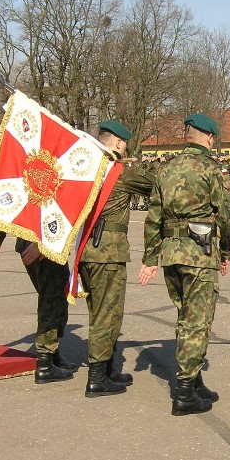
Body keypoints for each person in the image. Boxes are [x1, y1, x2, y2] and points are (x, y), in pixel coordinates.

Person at [139, 113, 230, 416]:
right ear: (209, 137)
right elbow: (228, 213)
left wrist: (149, 258)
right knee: (198, 322)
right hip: (198, 254)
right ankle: (184, 394)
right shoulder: (212, 169)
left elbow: (153, 217)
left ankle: (194, 381)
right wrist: (226, 250)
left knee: (185, 316)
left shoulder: (165, 169)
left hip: (171, 254)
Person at [80, 120, 154, 396]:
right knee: (106, 314)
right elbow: (156, 186)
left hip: (86, 250)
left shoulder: (83, 166)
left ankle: (108, 368)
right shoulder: (119, 172)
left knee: (101, 311)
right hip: (107, 253)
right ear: (120, 144)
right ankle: (96, 378)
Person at [0, 236, 79, 384]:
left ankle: (52, 354)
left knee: (53, 297)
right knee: (52, 300)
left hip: (33, 242)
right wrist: (44, 244)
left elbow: (13, 211)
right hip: (42, 242)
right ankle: (45, 364)